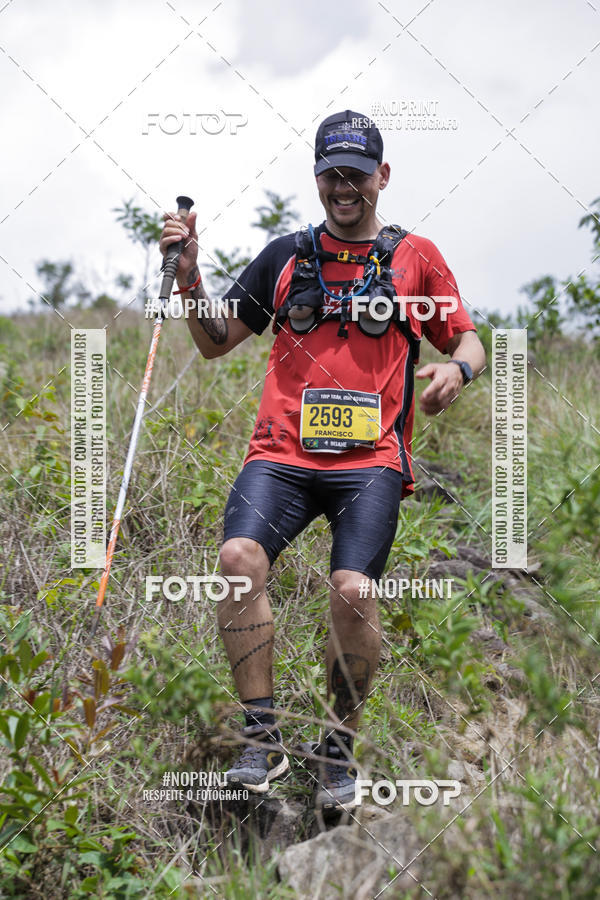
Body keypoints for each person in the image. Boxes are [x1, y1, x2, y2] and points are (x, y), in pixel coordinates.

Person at [159, 109, 486, 815]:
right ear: (316, 179)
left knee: (352, 590)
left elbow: (467, 339)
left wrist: (457, 373)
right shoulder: (283, 256)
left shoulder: (415, 258)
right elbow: (217, 340)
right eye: (331, 174)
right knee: (238, 559)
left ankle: (337, 748)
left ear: (382, 177)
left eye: (357, 175)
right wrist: (189, 278)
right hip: (280, 456)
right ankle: (262, 736)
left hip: (368, 462)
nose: (345, 187)